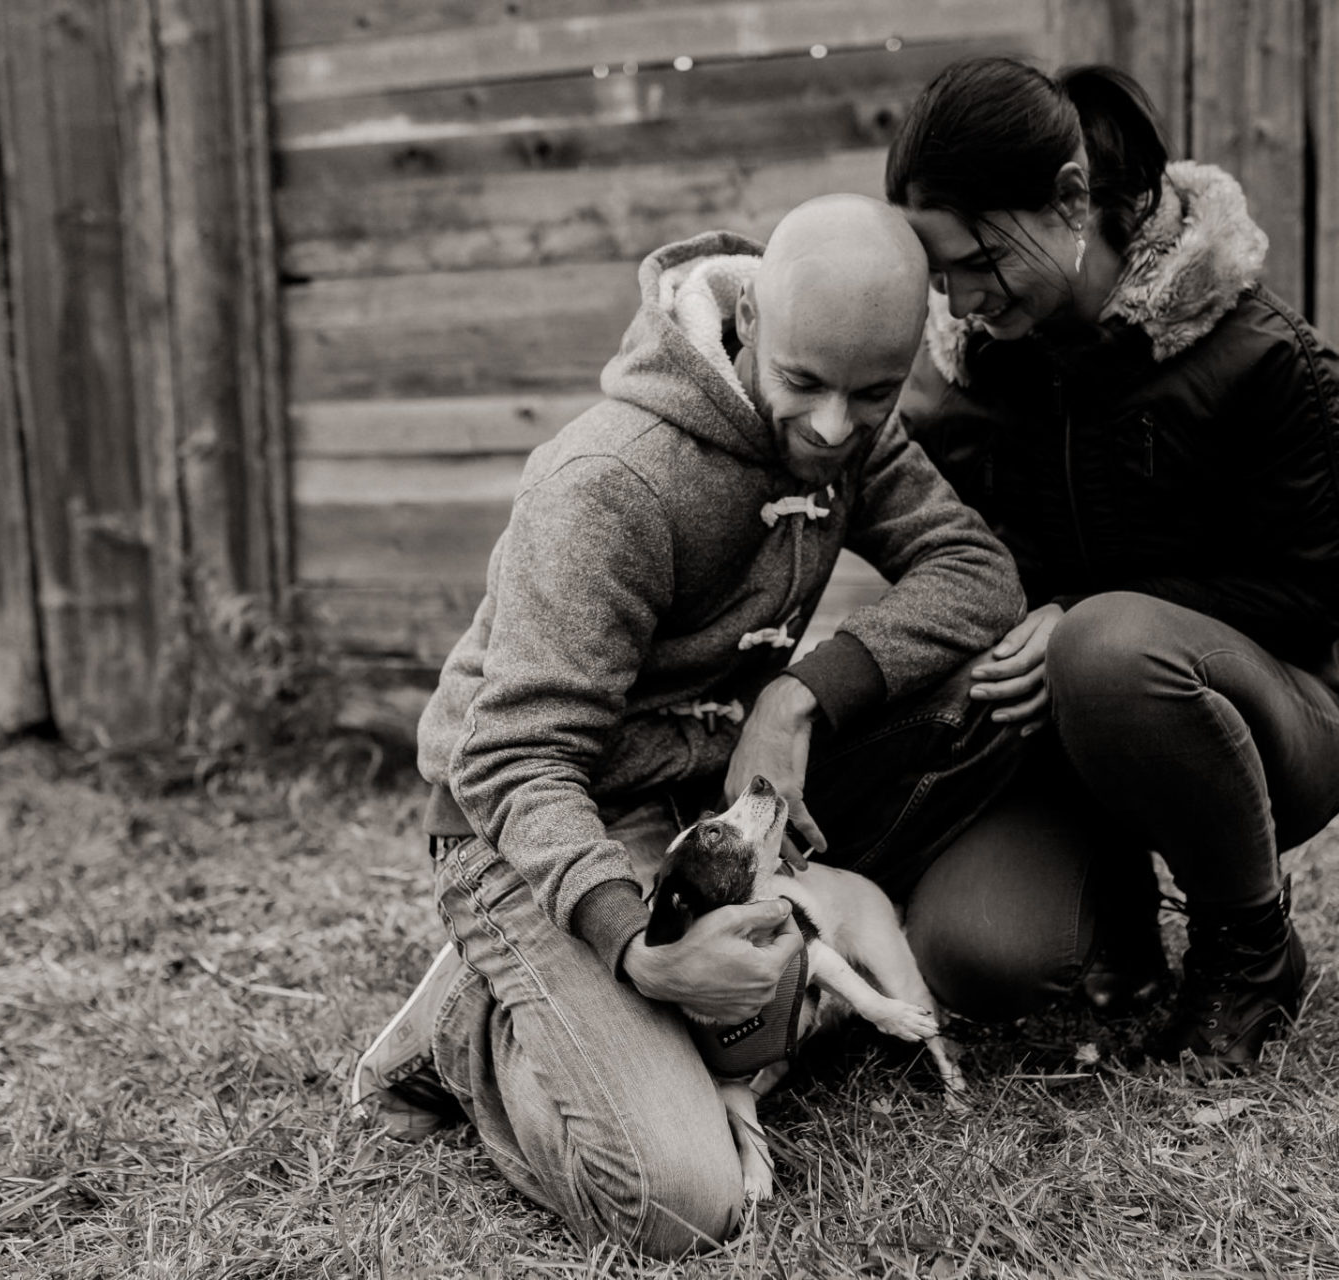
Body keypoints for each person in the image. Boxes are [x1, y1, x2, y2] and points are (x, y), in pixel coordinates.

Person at [353, 195, 1028, 1258]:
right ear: (751, 316)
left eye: (874, 393)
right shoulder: (608, 481)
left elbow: (978, 572)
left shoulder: (846, 419)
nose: (835, 430)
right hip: (535, 820)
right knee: (678, 1199)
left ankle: (640, 1012)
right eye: (805, 385)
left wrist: (800, 693)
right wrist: (635, 951)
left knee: (991, 683)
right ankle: (469, 1030)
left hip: (709, 806)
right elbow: (517, 753)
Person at [883, 57, 1339, 1076]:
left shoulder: (1266, 357)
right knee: (977, 952)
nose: (964, 300)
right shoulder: (964, 384)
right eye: (940, 276)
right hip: (1057, 749)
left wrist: (1076, 613)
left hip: (1270, 722)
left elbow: (1313, 593)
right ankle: (1114, 920)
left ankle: (1251, 947)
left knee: (1104, 644)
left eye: (979, 259)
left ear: (1071, 199)